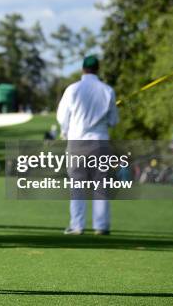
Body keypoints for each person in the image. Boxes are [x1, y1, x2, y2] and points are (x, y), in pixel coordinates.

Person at [56, 55, 119, 235]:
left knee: (77, 184)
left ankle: (77, 225)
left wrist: (65, 131)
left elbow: (62, 117)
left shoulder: (73, 89)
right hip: (100, 141)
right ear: (98, 69)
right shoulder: (108, 90)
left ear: (82, 69)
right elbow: (114, 121)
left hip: (77, 140)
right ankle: (101, 226)